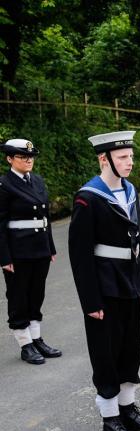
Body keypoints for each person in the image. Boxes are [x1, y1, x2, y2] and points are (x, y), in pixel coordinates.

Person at [69, 131, 140, 431]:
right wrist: (90, 300)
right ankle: (110, 418)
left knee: (129, 346)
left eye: (130, 157)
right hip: (104, 287)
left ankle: (128, 407)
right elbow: (79, 255)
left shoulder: (130, 190)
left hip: (130, 282)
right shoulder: (88, 197)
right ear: (103, 159)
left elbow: (139, 240)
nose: (129, 162)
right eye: (122, 158)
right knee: (106, 352)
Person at [0, 139, 60, 364]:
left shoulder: (37, 180)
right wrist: (4, 256)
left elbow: (46, 217)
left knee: (37, 294)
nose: (28, 160)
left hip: (40, 249)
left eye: (31, 156)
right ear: (9, 159)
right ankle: (25, 343)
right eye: (22, 157)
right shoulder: (4, 185)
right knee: (18, 297)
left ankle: (37, 338)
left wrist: (50, 246)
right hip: (18, 252)